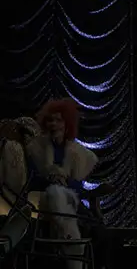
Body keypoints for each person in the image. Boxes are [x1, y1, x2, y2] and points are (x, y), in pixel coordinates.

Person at [26, 98, 98, 269]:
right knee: (54, 192)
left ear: (67, 124)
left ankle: (68, 244)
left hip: (70, 201)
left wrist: (65, 180)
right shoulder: (36, 149)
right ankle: (74, 249)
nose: (53, 124)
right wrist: (50, 178)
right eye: (50, 120)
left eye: (58, 120)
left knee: (60, 194)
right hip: (43, 203)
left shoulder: (77, 153)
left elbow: (78, 186)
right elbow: (31, 181)